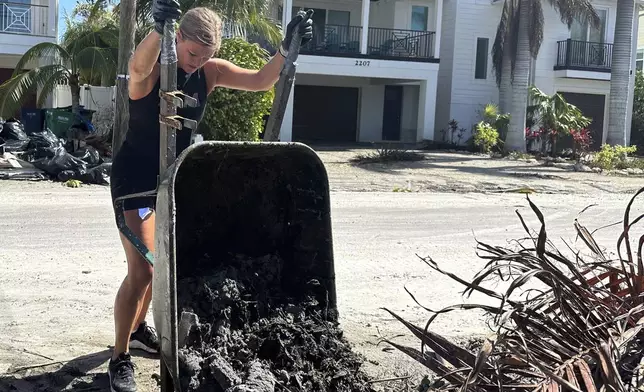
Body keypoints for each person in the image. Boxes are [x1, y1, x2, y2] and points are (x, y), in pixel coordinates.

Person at [107, 1, 313, 390]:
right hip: (134, 181)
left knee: (161, 269)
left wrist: (286, 49)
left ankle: (136, 330)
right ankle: (120, 358)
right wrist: (157, 29)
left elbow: (261, 81)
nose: (196, 62)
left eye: (206, 56)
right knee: (143, 269)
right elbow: (135, 69)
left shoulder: (209, 72)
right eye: (191, 53)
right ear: (178, 38)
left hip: (170, 182)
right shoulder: (154, 71)